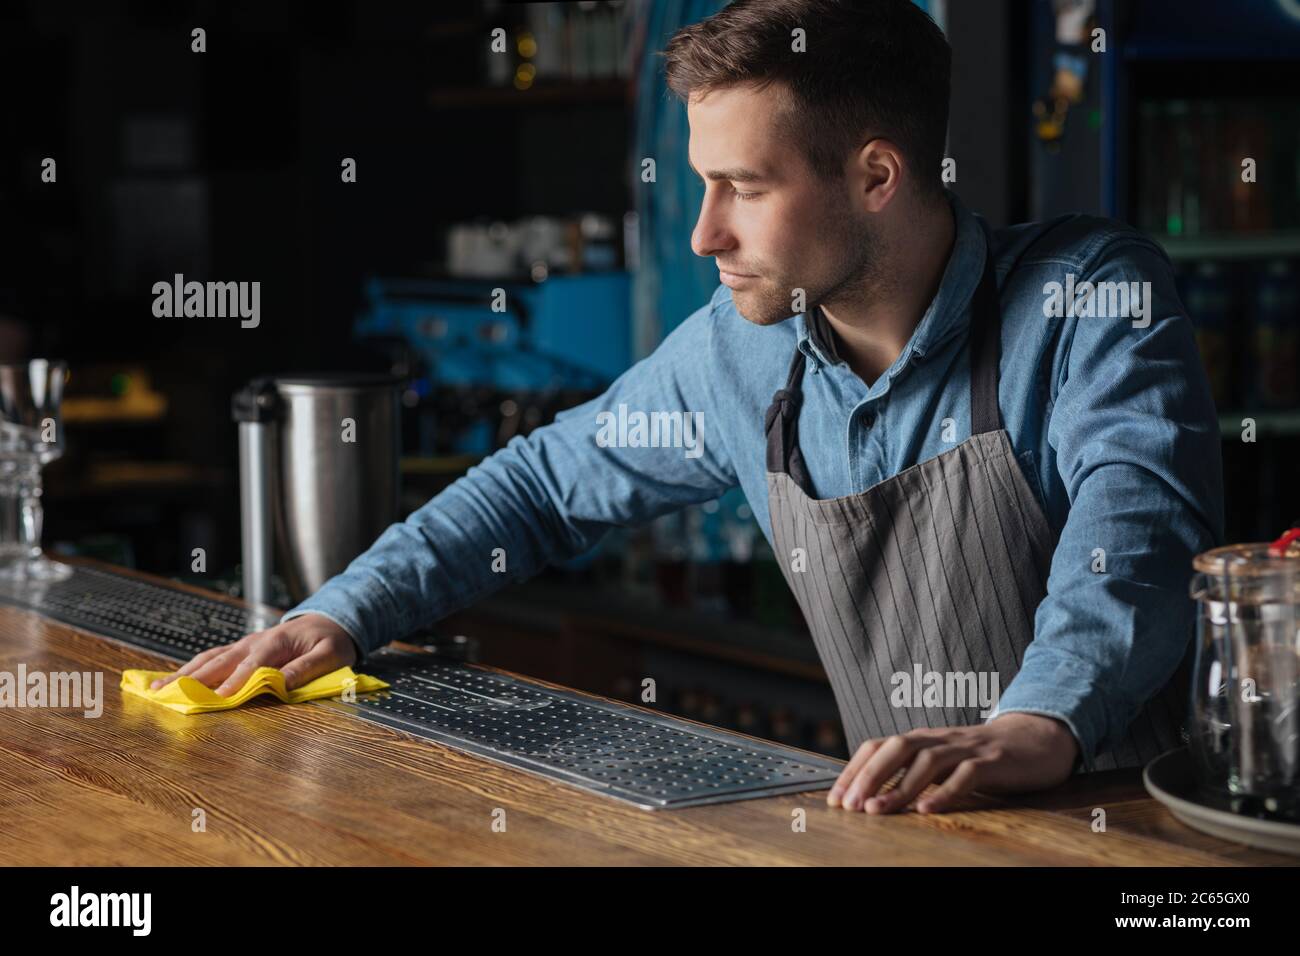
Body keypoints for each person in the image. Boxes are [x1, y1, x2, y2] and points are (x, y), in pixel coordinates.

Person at [157, 0, 1222, 815]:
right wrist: (339, 613)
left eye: (742, 187)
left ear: (877, 176)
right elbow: (538, 486)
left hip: (1133, 829)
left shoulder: (1086, 292)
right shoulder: (743, 352)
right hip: (908, 833)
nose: (704, 233)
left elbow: (1135, 530)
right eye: (701, 183)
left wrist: (1037, 722)